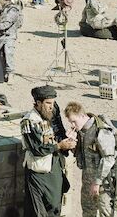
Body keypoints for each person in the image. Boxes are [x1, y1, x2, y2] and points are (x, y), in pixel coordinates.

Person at [21, 85, 75, 217]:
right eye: (48, 103)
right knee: (37, 212)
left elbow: (59, 131)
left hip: (54, 169)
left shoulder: (52, 111)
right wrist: (59, 146)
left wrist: (68, 141)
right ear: (38, 103)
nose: (51, 106)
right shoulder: (29, 121)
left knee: (55, 207)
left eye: (53, 103)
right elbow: (36, 149)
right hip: (38, 172)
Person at [64, 102, 117, 217]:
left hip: (104, 181)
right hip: (87, 179)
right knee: (88, 210)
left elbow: (109, 158)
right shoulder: (81, 132)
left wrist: (97, 182)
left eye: (74, 121)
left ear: (82, 116)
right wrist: (72, 143)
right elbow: (81, 157)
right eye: (70, 122)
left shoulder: (100, 130)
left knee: (106, 211)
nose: (72, 125)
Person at [0, 0, 24, 82]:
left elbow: (6, 24)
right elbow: (2, 13)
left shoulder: (13, 10)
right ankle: (4, 73)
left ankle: (11, 74)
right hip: (3, 36)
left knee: (8, 55)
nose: (0, 2)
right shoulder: (7, 8)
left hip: (9, 36)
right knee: (2, 55)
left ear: (5, 0)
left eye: (1, 0)